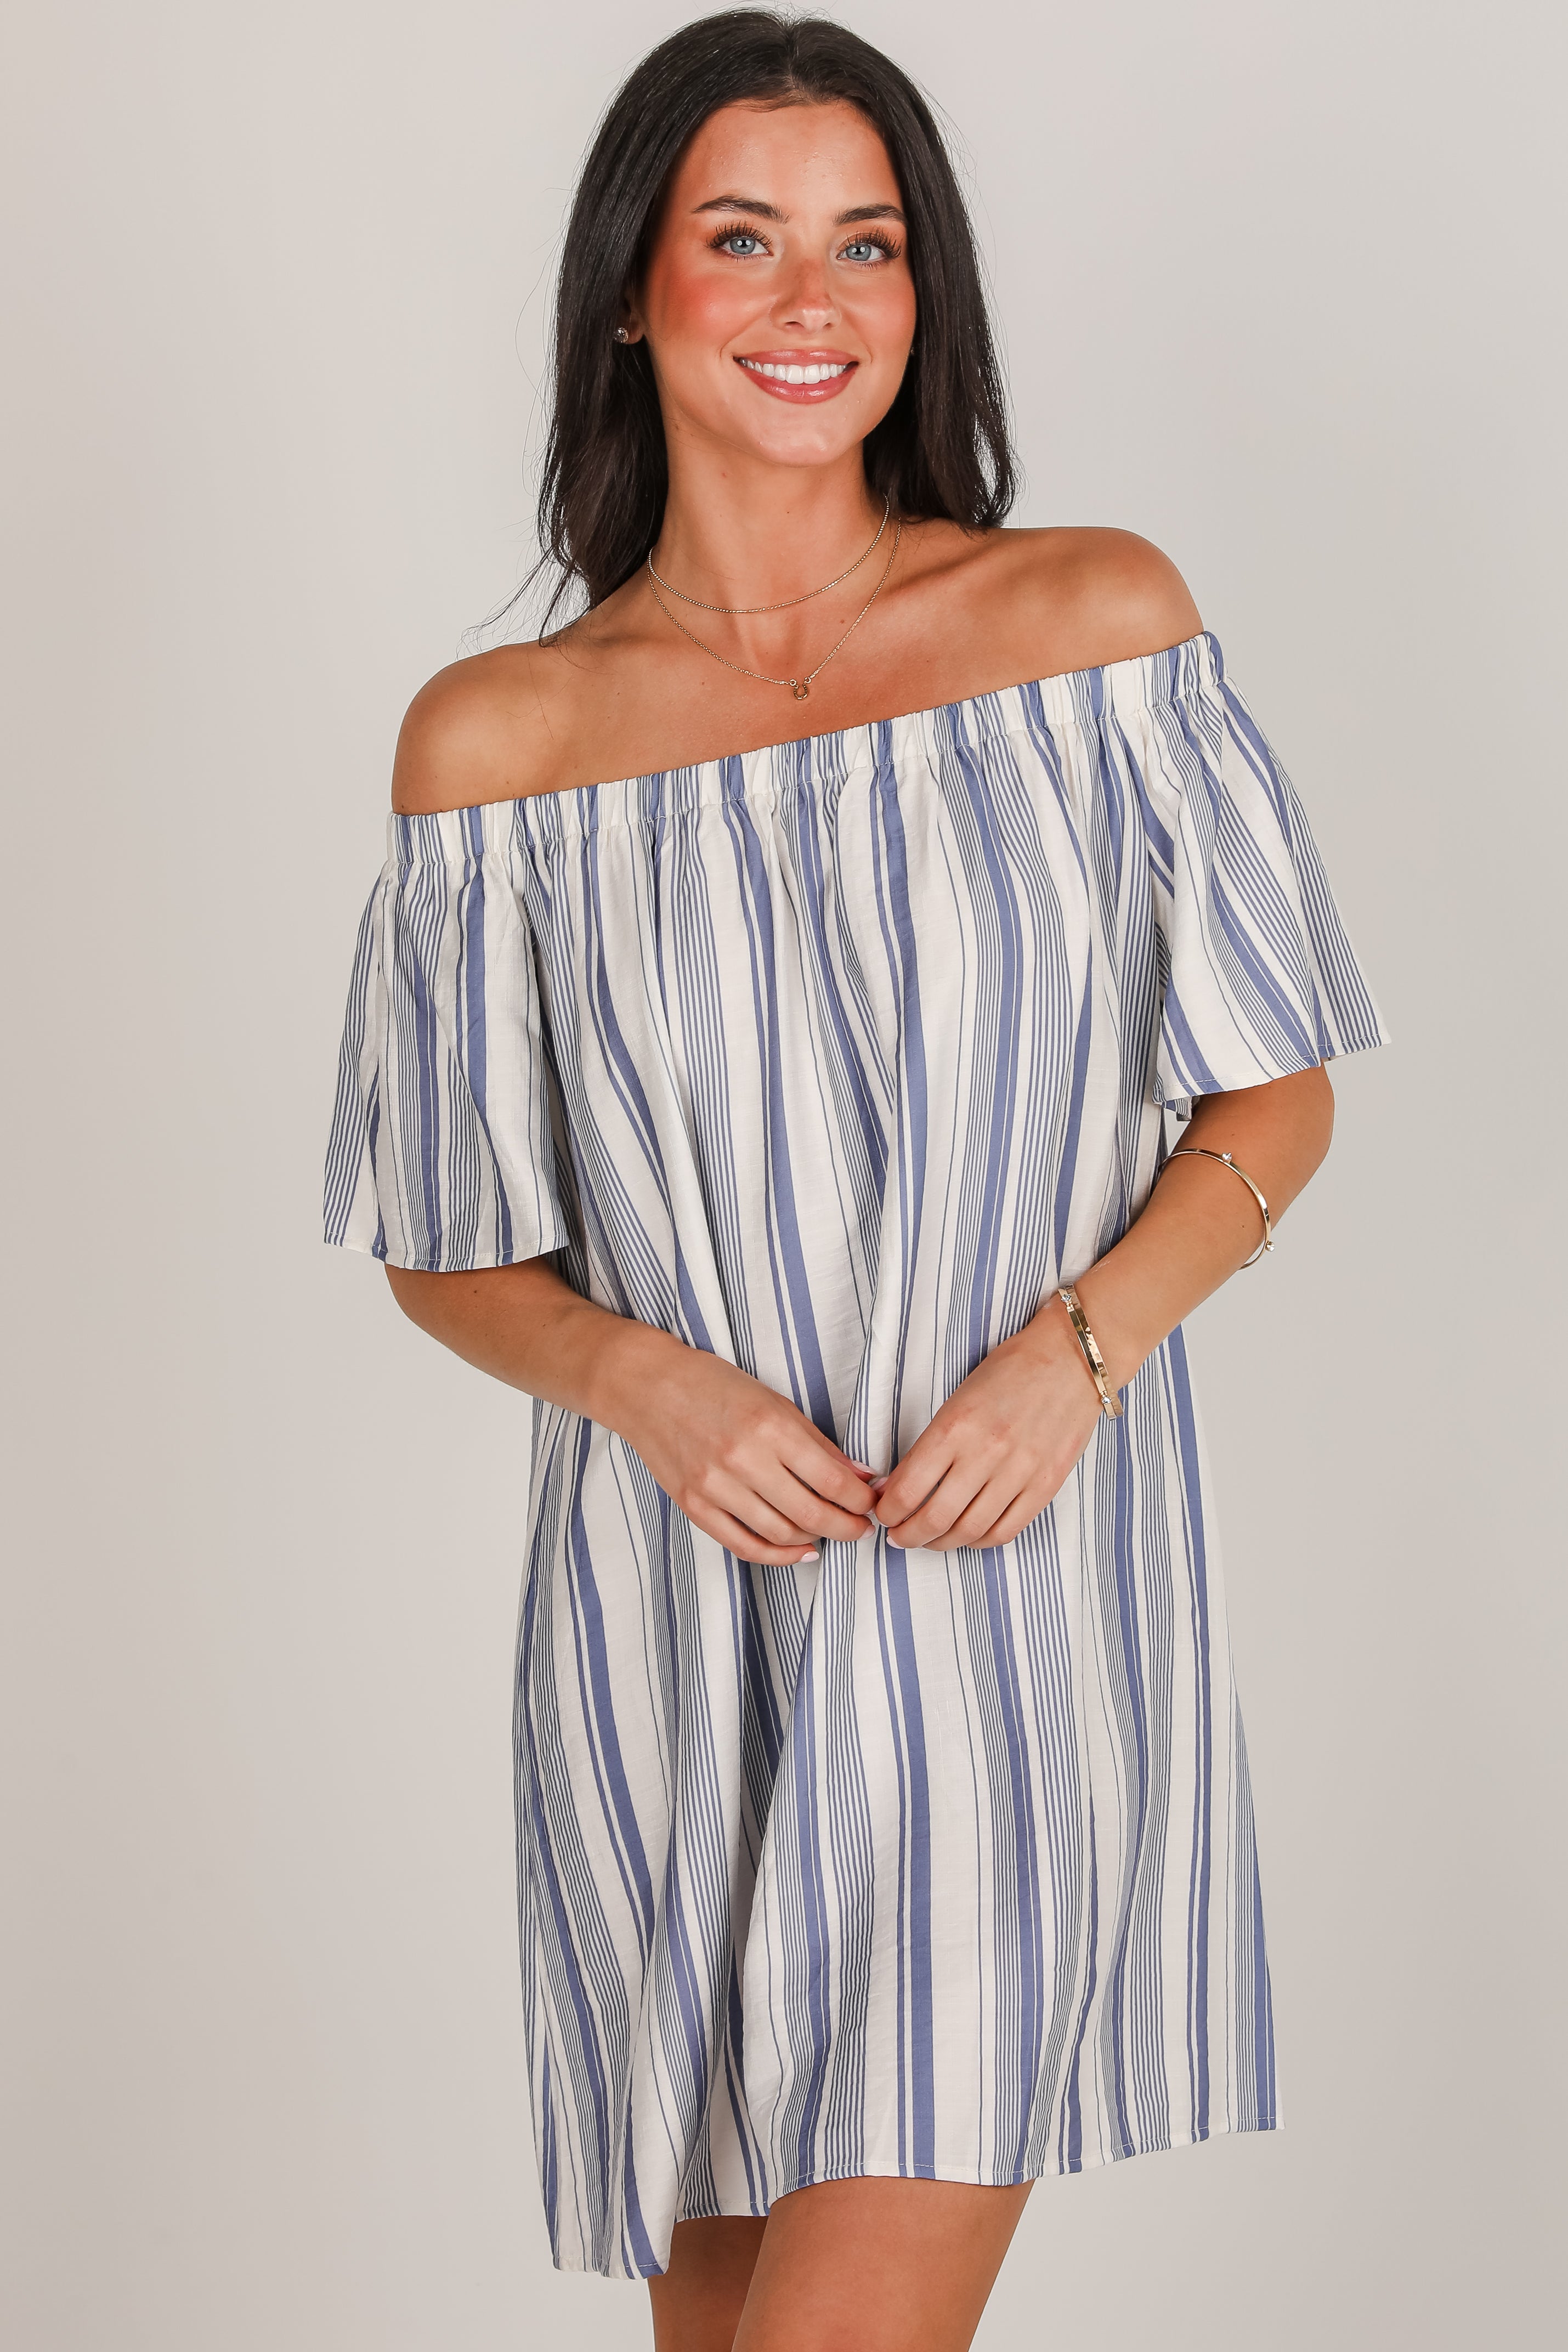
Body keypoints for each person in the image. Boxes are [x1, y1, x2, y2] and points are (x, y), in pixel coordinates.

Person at [322, 13, 1385, 2348]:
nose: (812, 300)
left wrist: (1076, 1351)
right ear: (632, 291)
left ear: (924, 294)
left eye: (867, 245)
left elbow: (1276, 1092)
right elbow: (447, 1242)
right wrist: (646, 1385)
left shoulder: (1089, 627)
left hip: (1002, 1598)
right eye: (743, 239)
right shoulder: (496, 747)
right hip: (674, 1632)